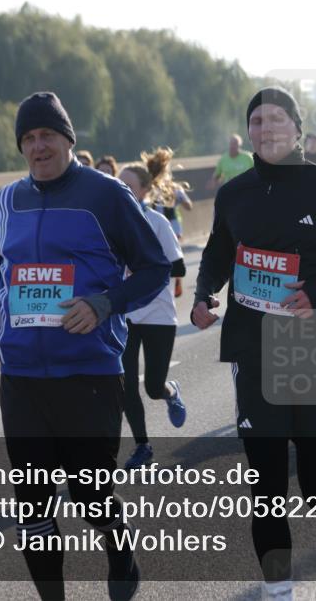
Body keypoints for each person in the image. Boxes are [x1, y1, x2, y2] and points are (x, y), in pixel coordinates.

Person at [0, 91, 171, 601]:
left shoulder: (105, 195)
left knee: (90, 496)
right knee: (33, 507)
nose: (38, 147)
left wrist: (104, 304)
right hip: (21, 379)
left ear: (67, 141)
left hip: (90, 374)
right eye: (29, 138)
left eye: (48, 136)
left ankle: (120, 552)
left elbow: (153, 269)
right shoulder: (7, 200)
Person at [191, 87, 316, 599]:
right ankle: (280, 590)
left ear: (297, 129)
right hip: (253, 348)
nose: (265, 128)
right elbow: (216, 253)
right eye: (256, 121)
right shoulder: (234, 194)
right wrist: (204, 293)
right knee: (267, 487)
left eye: (276, 119)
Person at [118, 163, 188, 470]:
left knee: (152, 386)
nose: (122, 191)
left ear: (145, 190)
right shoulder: (109, 224)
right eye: (118, 185)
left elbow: (179, 268)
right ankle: (143, 446)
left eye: (128, 186)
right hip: (126, 314)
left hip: (158, 313)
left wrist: (143, 269)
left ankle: (170, 392)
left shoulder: (157, 222)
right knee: (126, 385)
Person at [145, 147, 192, 297]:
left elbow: (188, 205)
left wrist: (180, 198)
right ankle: (172, 281)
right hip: (161, 228)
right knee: (169, 257)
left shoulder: (172, 188)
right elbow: (189, 206)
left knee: (169, 257)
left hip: (170, 228)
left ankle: (174, 281)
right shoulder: (149, 187)